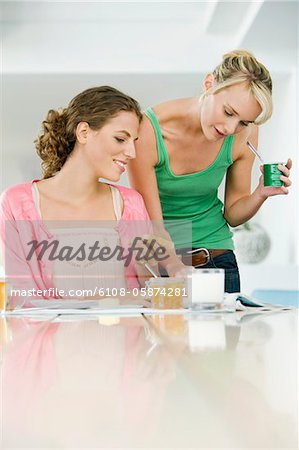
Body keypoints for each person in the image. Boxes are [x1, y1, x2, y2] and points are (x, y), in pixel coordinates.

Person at [128, 50, 292, 293]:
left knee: (230, 332)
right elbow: (153, 225)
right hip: (162, 265)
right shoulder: (149, 131)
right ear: (209, 84)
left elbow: (233, 214)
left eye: (244, 122)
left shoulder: (245, 134)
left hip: (217, 259)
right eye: (228, 112)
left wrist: (260, 193)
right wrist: (176, 271)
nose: (230, 128)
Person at [0, 86, 156, 302]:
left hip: (126, 334)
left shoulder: (130, 204)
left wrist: (155, 268)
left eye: (134, 142)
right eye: (121, 139)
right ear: (83, 132)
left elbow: (150, 293)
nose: (132, 153)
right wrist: (109, 300)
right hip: (53, 336)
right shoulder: (16, 203)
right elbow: (22, 300)